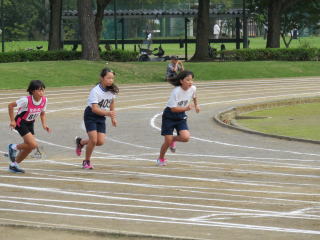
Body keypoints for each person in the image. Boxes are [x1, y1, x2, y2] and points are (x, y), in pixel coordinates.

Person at [75, 68, 119, 169]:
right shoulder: (95, 91)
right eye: (108, 78)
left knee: (100, 142)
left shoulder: (112, 90)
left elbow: (112, 103)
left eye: (112, 78)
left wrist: (113, 117)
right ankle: (86, 161)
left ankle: (81, 142)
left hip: (101, 116)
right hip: (91, 115)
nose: (111, 80)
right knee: (93, 140)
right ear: (102, 78)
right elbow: (94, 109)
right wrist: (108, 113)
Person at [157, 70, 200, 166]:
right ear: (181, 81)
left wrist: (197, 105)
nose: (190, 82)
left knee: (186, 137)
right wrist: (186, 108)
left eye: (191, 80)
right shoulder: (176, 91)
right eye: (188, 80)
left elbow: (195, 96)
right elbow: (173, 109)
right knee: (167, 140)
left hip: (181, 116)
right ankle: (161, 158)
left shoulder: (193, 88)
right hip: (169, 116)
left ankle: (173, 140)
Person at [7, 80, 50, 173]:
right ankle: (13, 147)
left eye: (43, 90)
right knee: (33, 145)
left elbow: (42, 113)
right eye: (39, 90)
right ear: (33, 91)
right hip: (20, 122)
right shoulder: (25, 100)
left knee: (30, 147)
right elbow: (10, 105)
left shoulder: (44, 100)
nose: (41, 92)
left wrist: (44, 124)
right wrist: (12, 120)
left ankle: (13, 165)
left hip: (30, 123)